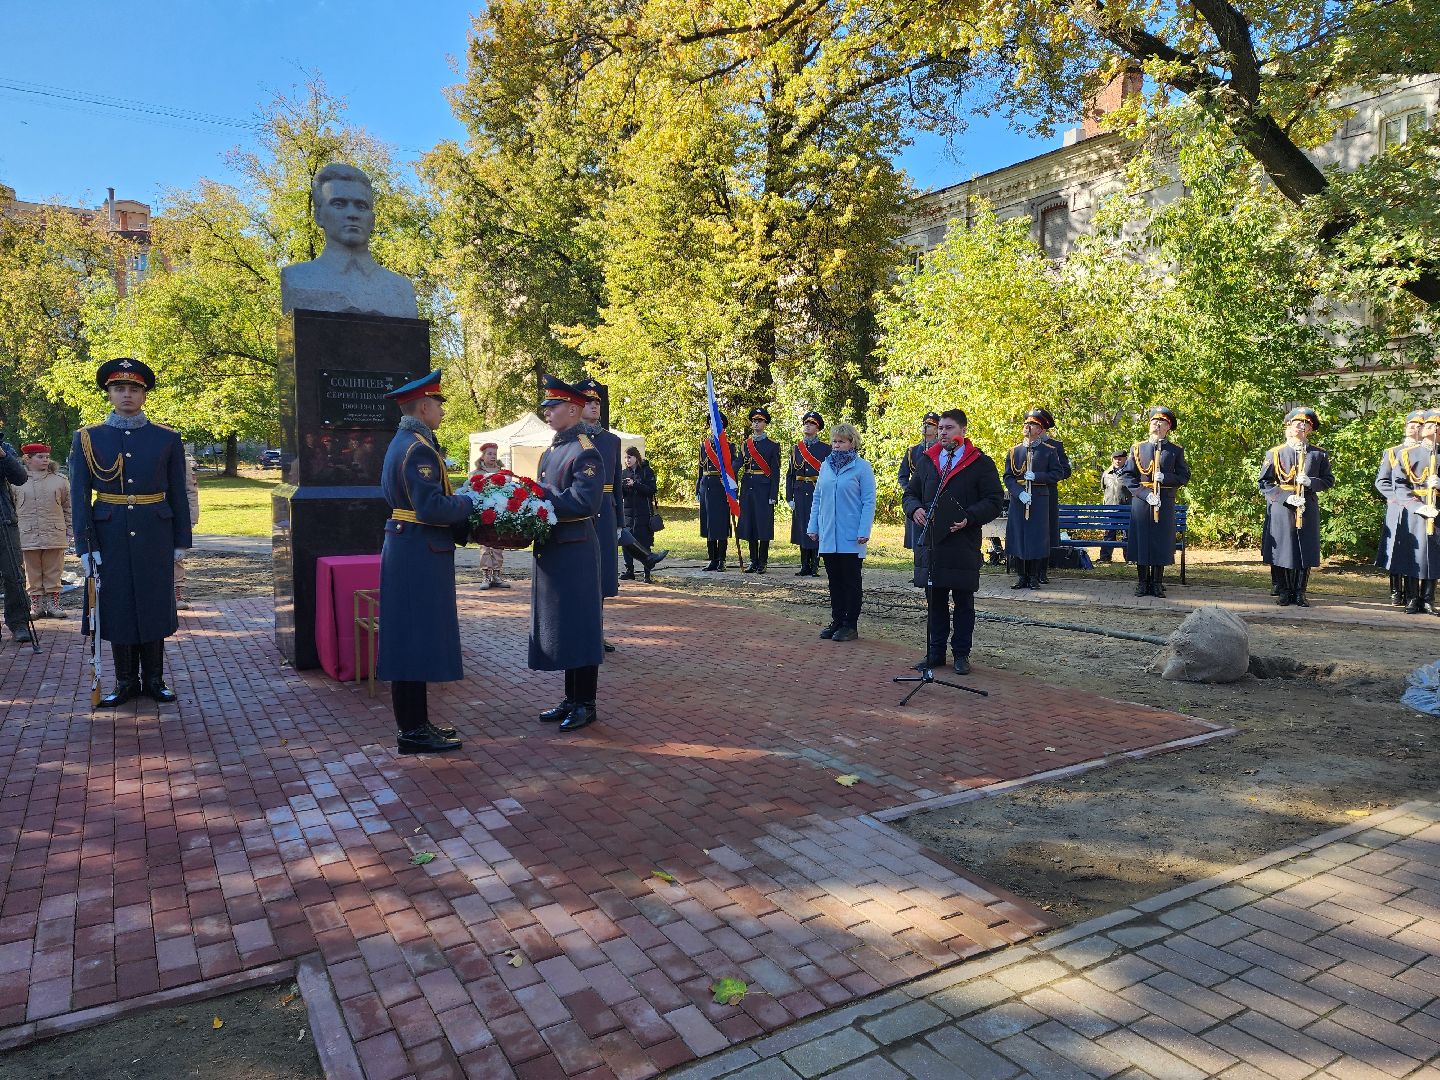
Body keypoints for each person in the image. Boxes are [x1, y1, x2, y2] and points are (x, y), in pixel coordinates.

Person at [70, 357, 192, 704]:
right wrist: (85, 544)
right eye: (119, 388)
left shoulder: (166, 438)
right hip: (109, 536)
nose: (127, 395)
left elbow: (177, 490)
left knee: (154, 604)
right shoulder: (88, 438)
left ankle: (154, 679)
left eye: (134, 389)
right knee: (118, 606)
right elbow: (80, 496)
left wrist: (181, 539)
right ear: (108, 394)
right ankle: (125, 681)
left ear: (144, 394)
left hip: (155, 533)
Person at [376, 370, 476, 753]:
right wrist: (470, 501)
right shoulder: (417, 448)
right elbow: (432, 507)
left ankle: (417, 724)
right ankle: (413, 731)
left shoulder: (406, 442)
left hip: (410, 548)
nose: (441, 411)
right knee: (412, 641)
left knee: (411, 639)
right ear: (422, 406)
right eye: (438, 404)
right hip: (418, 551)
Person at [902, 408, 1005, 675]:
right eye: (941, 428)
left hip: (962, 542)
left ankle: (961, 654)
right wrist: (915, 510)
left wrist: (968, 518)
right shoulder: (927, 460)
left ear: (963, 431)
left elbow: (994, 501)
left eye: (948, 428)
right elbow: (910, 494)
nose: (942, 433)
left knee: (963, 602)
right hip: (932, 544)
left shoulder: (980, 463)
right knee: (935, 601)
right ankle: (935, 653)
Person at [531, 376, 607, 732]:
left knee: (581, 625)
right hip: (555, 548)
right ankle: (570, 697)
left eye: (553, 406)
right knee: (564, 625)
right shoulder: (551, 451)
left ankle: (585, 702)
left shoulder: (584, 450)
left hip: (575, 548)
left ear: (573, 410)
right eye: (546, 406)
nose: (547, 412)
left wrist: (540, 497)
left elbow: (584, 503)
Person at [1259, 406, 1335, 607]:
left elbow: (1328, 480)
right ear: (1289, 427)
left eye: (1306, 424)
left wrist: (1311, 482)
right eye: (1298, 423)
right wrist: (1285, 496)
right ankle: (1284, 591)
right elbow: (1264, 483)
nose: (1302, 426)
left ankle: (1300, 592)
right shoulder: (1276, 453)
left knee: (1305, 549)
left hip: (1307, 504)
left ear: (1310, 429)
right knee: (1284, 549)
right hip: (1282, 506)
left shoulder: (1319, 454)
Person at [806, 422, 876, 642]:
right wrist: (813, 526)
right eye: (834, 441)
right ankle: (836, 620)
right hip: (828, 533)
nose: (836, 446)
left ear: (851, 442)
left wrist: (864, 530)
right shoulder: (826, 466)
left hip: (851, 535)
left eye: (841, 441)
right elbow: (817, 498)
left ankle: (850, 624)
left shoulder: (862, 467)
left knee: (850, 581)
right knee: (834, 580)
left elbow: (868, 501)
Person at [1119, 407, 1191, 597]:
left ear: (1168, 427)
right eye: (1153, 421)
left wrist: (1165, 478)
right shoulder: (1138, 448)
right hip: (1142, 503)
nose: (1156, 425)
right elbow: (1127, 476)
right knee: (1142, 541)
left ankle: (1157, 583)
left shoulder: (1175, 450)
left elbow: (1184, 476)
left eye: (1161, 422)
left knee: (1160, 542)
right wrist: (1144, 493)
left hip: (1164, 502)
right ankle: (1142, 582)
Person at [1003, 410, 1064, 590]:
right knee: (1019, 536)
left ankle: (1033, 576)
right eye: (1026, 425)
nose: (1027, 427)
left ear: (1040, 430)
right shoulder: (1014, 451)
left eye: (1032, 425)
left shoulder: (1048, 451)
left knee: (1036, 537)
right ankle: (1021, 576)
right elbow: (1008, 477)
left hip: (1039, 498)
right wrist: (1018, 492)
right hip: (1019, 499)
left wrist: (1036, 476)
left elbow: (1057, 473)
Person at [1389, 409, 1439, 615]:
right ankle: (1412, 598)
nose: (1432, 427)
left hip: (1437, 509)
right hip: (1415, 508)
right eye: (1428, 424)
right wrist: (1416, 505)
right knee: (1413, 553)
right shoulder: (1406, 454)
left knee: (1433, 554)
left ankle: (1428, 599)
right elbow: (1398, 485)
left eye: (1436, 425)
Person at [1375, 410, 1424, 608]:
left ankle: (1418, 593)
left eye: (1420, 425)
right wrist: (1396, 498)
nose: (1415, 428)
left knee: (1418, 549)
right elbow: (1382, 481)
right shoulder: (1393, 451)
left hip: (1422, 505)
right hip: (1398, 506)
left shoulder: (1430, 452)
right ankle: (1396, 591)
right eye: (1411, 424)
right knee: (1396, 546)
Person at [15, 444, 70, 618]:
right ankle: (36, 607)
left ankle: (54, 606)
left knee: (54, 570)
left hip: (54, 532)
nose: (45, 459)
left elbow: (68, 508)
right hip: (26, 534)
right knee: (31, 572)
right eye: (40, 456)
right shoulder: (16, 481)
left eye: (46, 456)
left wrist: (70, 530)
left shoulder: (60, 480)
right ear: (27, 459)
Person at [737, 407, 781, 573]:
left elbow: (775, 471)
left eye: (759, 421)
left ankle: (763, 561)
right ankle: (753, 560)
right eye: (754, 421)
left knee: (763, 525)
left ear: (765, 423)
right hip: (747, 487)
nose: (756, 423)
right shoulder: (745, 445)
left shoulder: (772, 446)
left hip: (764, 489)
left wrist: (773, 494)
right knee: (750, 525)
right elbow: (738, 464)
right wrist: (727, 476)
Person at [786, 411, 830, 576]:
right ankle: (804, 565)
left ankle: (815, 565)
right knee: (801, 527)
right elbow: (790, 474)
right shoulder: (796, 448)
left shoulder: (826, 448)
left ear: (817, 428)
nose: (807, 425)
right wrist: (789, 496)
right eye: (806, 423)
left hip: (816, 491)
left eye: (811, 424)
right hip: (799, 491)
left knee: (816, 526)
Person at [1030, 408, 1071, 583]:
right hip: (1028, 493)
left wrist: (1046, 476)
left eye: (1034, 424)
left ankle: (1042, 571)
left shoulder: (1055, 446)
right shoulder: (1024, 446)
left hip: (1047, 493)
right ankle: (1028, 571)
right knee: (1030, 531)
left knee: (1045, 532)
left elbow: (1065, 471)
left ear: (1043, 428)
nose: (1030, 427)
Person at [697, 411, 739, 572]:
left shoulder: (729, 446)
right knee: (708, 523)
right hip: (706, 485)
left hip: (721, 486)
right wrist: (697, 487)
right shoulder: (704, 445)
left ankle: (721, 559)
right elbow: (701, 468)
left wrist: (730, 480)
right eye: (712, 422)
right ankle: (712, 559)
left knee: (720, 523)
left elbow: (734, 464)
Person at [0, 419, 29, 645]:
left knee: (14, 575)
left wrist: (3, 455)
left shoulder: (5, 447)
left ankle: (19, 623)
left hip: (4, 520)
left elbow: (20, 478)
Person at [898, 412, 940, 551]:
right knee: (918, 541)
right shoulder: (913, 451)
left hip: (935, 498)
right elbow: (903, 475)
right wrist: (910, 491)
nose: (926, 427)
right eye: (924, 424)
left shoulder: (943, 450)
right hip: (917, 500)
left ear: (937, 428)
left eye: (931, 425)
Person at [620, 446, 663, 582]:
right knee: (627, 542)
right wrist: (624, 487)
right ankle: (629, 570)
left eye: (630, 457)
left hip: (643, 512)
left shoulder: (646, 471)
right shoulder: (623, 473)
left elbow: (651, 490)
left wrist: (635, 484)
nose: (627, 460)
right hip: (627, 513)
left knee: (644, 542)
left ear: (636, 458)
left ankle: (647, 573)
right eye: (626, 457)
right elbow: (620, 493)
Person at [472, 441, 511, 590]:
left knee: (499, 543)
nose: (493, 456)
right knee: (485, 544)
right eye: (489, 453)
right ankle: (486, 575)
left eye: (495, 454)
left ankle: (497, 574)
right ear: (482, 456)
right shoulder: (477, 474)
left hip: (499, 512)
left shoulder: (503, 473)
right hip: (484, 512)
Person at [173, 450, 199, 609]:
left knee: (176, 557)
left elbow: (190, 489)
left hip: (176, 515)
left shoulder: (180, 458)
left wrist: (191, 518)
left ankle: (176, 595)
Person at [1098, 449, 1130, 563]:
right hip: (1109, 509)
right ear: (1112, 459)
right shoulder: (1106, 473)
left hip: (1126, 509)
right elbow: (1104, 489)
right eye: (1116, 458)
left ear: (1126, 459)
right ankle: (1105, 558)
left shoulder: (1130, 473)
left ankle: (1130, 558)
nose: (1118, 460)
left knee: (1127, 536)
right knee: (1108, 535)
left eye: (1120, 458)